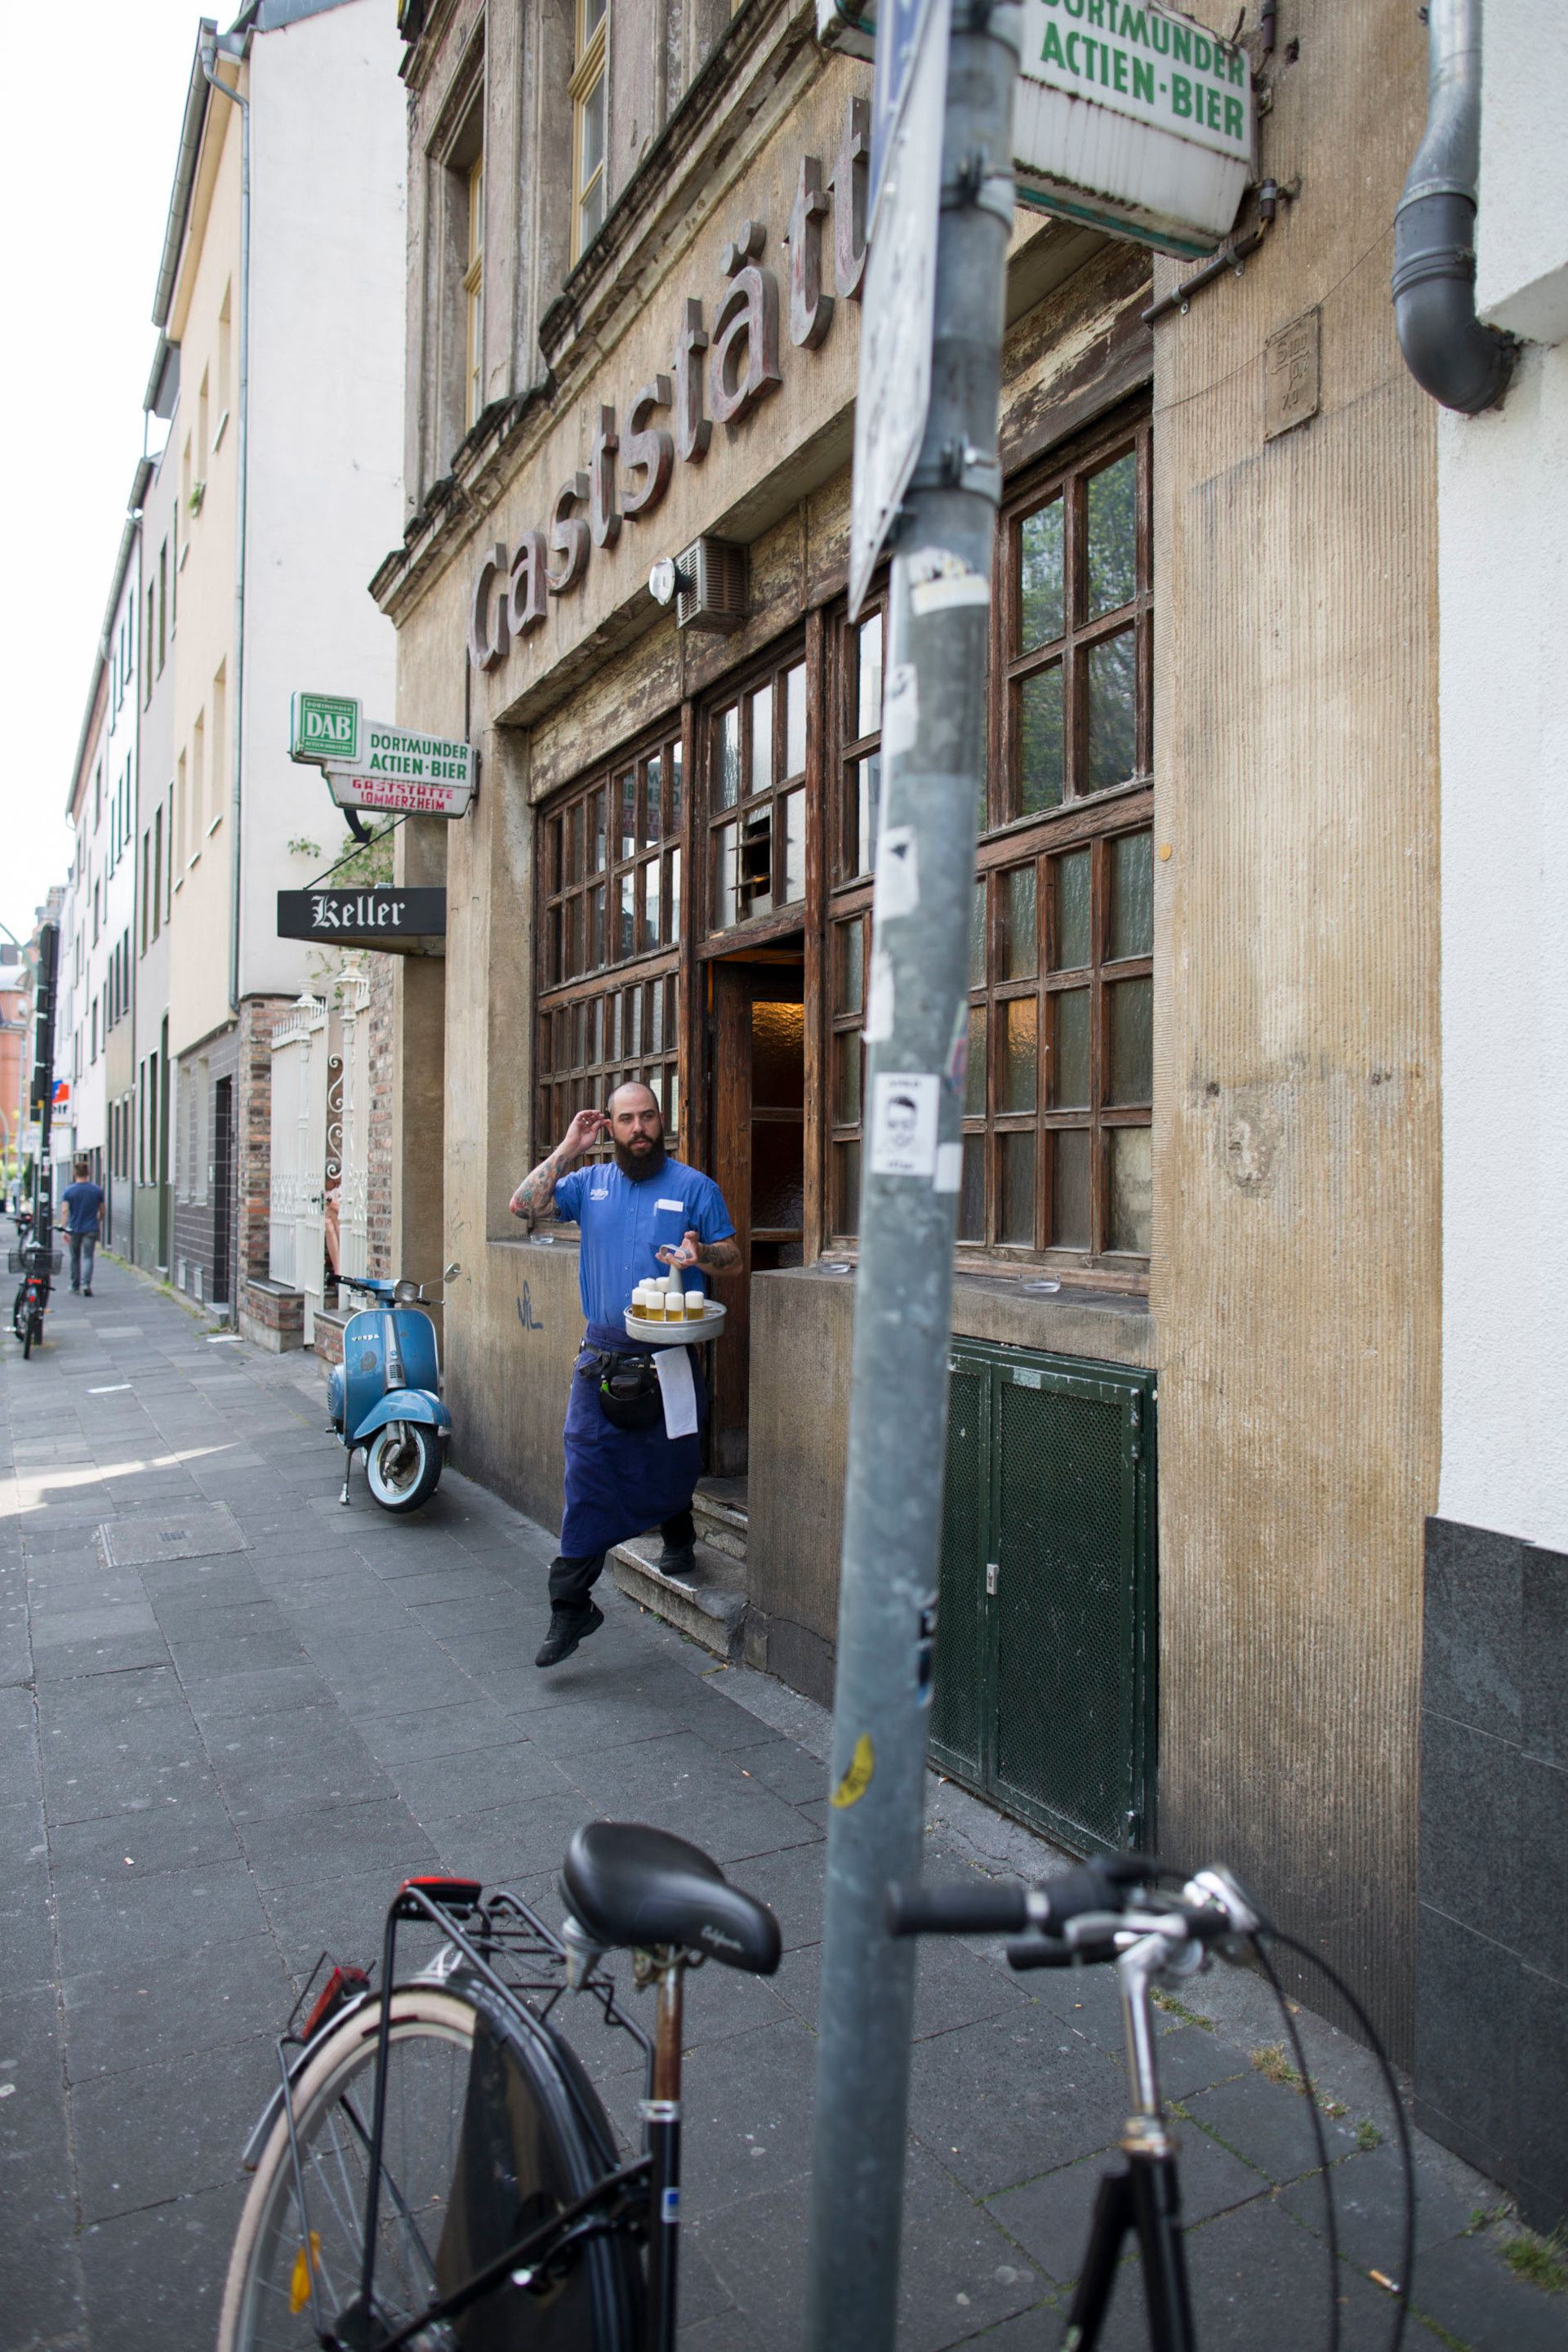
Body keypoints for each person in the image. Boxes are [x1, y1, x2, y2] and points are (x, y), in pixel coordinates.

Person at [510, 1082, 739, 1667]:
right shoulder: (588, 1185)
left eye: (648, 1117)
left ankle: (679, 1537)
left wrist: (700, 1256)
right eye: (626, 1120)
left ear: (661, 1122)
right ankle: (570, 1606)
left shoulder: (695, 1188)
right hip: (601, 1358)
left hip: (671, 1354)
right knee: (585, 1466)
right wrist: (569, 1147)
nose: (639, 1128)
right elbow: (523, 1206)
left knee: (675, 1457)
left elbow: (732, 1257)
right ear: (609, 1127)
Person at [60, 1156, 105, 1296]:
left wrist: (64, 1228)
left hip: (74, 1229)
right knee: (88, 1257)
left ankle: (74, 1285)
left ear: (75, 1173)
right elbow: (102, 1210)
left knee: (74, 1257)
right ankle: (86, 1284)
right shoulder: (97, 1190)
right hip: (90, 1228)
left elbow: (65, 1211)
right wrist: (97, 1220)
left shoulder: (69, 1191)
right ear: (88, 1173)